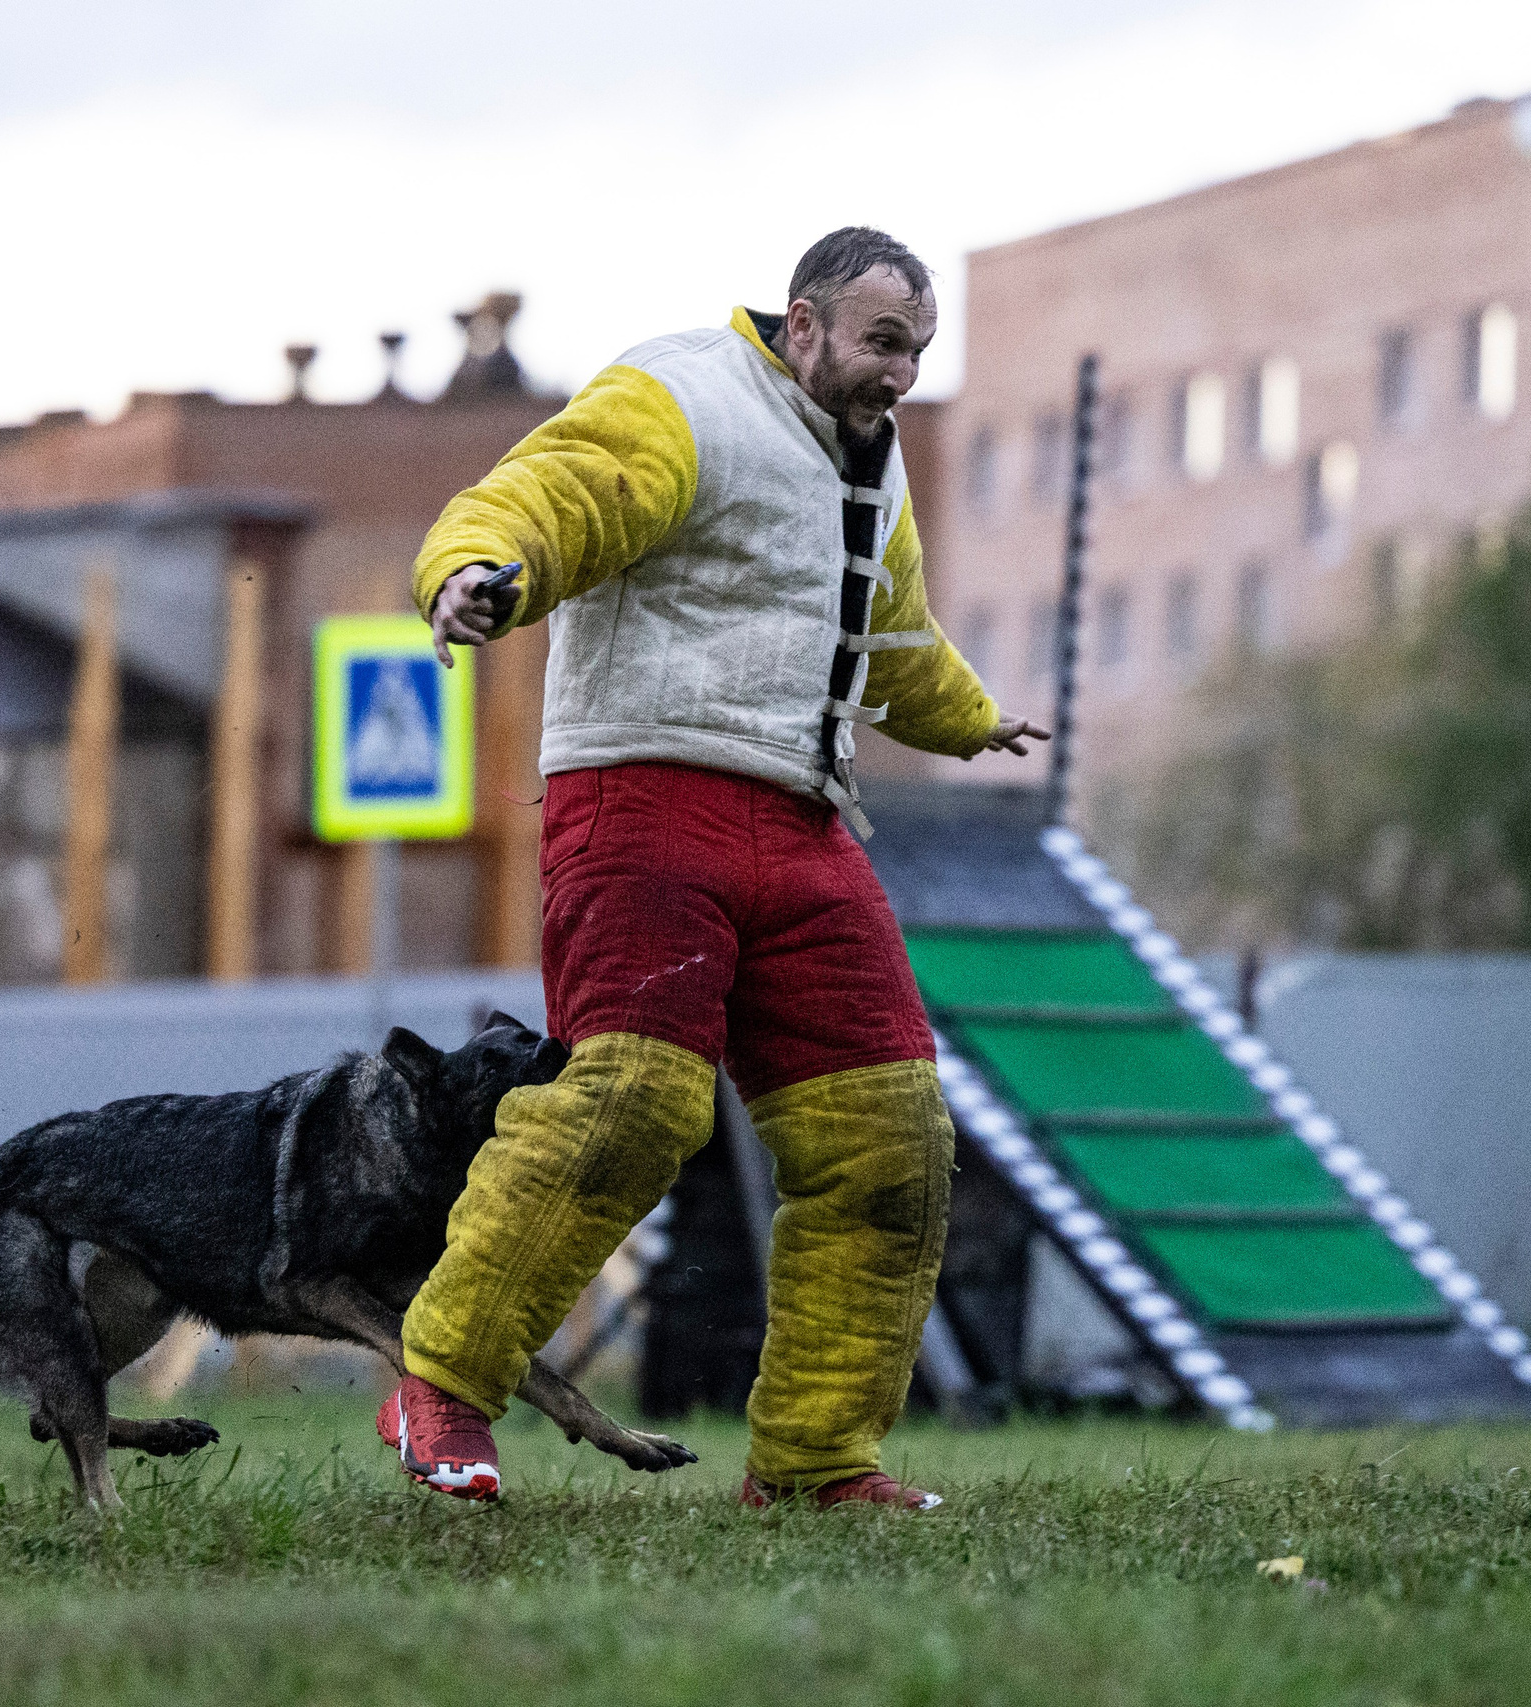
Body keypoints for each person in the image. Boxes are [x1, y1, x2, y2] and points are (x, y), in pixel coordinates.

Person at [380, 227, 1048, 1511]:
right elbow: (550, 496)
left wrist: (970, 719)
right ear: (801, 324)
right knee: (635, 1101)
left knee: (892, 1140)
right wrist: (474, 571)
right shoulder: (680, 395)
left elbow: (890, 634)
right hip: (640, 799)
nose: (899, 375)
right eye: (879, 343)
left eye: (915, 351)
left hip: (804, 822)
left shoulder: (873, 464)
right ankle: (441, 1384)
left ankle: (812, 1461)